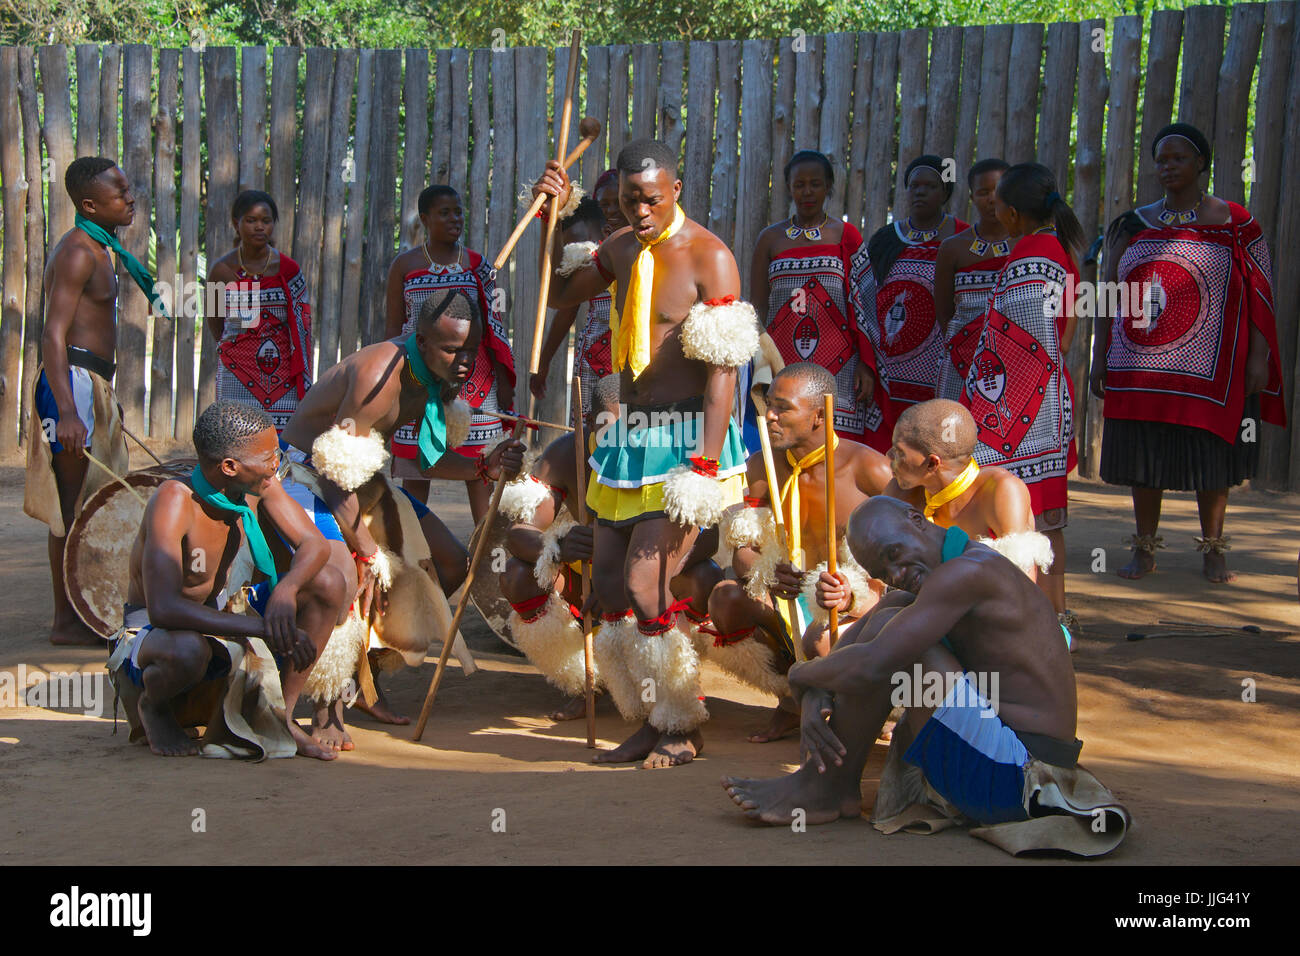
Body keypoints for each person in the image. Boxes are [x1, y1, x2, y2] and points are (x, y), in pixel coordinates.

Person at [721, 496, 1130, 858]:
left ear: (917, 520)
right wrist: (811, 689)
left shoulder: (968, 572)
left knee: (906, 648)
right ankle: (829, 785)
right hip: (999, 762)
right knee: (890, 614)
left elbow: (873, 664)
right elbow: (852, 656)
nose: (896, 571)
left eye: (894, 552)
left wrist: (800, 674)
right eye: (883, 568)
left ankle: (829, 786)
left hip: (1024, 780)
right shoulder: (936, 578)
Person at [533, 137, 755, 768]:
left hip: (688, 443)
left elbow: (722, 374)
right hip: (629, 437)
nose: (641, 211)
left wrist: (706, 469)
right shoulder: (620, 249)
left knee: (646, 580)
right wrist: (554, 216)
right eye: (630, 200)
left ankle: (681, 724)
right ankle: (648, 714)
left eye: (652, 199)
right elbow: (560, 293)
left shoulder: (710, 255)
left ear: (675, 190)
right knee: (605, 587)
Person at [281, 287, 525, 726]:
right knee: (351, 575)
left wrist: (484, 468)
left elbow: (418, 459)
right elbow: (335, 476)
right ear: (424, 341)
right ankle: (327, 706)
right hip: (307, 476)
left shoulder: (435, 377)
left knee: (451, 562)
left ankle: (365, 682)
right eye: (453, 350)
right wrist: (368, 552)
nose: (465, 361)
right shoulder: (379, 377)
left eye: (471, 350)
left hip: (361, 479)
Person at [1095, 122, 1285, 584]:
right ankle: (1144, 550)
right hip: (1139, 365)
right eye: (1161, 159)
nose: (1168, 167)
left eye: (1179, 158)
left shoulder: (1237, 224)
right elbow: (1106, 292)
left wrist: (1259, 358)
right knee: (1145, 458)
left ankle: (1213, 549)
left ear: (1201, 162)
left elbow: (1261, 293)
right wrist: (1100, 356)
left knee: (1212, 457)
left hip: (1213, 371)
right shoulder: (1133, 223)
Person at [107, 400, 348, 760]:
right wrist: (264, 629)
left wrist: (286, 589)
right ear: (230, 466)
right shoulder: (175, 501)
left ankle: (280, 714)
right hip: (157, 638)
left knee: (328, 582)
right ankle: (154, 707)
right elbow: (163, 610)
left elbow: (314, 545)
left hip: (217, 618)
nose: (276, 463)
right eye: (268, 457)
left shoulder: (259, 484)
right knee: (188, 649)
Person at [500, 374, 721, 721]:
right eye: (610, 429)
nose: (623, 441)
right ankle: (585, 681)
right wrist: (557, 545)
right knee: (517, 574)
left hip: (654, 577)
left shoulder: (664, 450)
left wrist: (632, 574)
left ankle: (672, 692)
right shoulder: (563, 455)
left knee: (703, 578)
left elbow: (709, 537)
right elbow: (518, 533)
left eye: (632, 429)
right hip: (588, 577)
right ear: (589, 422)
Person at [708, 363, 891, 743]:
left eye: (783, 408)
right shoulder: (763, 466)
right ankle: (792, 698)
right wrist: (767, 572)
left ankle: (870, 707)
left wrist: (855, 594)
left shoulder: (868, 469)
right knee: (725, 599)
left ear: (819, 416)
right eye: (768, 405)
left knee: (824, 637)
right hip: (787, 600)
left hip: (855, 604)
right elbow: (742, 552)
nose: (770, 417)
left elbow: (908, 561)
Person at [26, 157, 145, 645]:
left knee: (95, 501)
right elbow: (52, 335)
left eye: (128, 188)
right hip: (69, 384)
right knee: (74, 507)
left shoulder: (99, 248)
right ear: (90, 204)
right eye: (120, 193)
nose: (130, 197)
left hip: (89, 383)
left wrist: (102, 399)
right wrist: (70, 409)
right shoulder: (78, 252)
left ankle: (85, 611)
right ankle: (66, 622)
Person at [956, 163, 1080, 624]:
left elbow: (1017, 347)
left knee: (1009, 511)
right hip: (1045, 406)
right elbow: (1062, 341)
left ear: (1009, 214)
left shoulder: (1029, 257)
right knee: (1046, 517)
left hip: (1018, 412)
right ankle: (1056, 617)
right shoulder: (1059, 252)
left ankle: (1019, 620)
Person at [885, 400, 1067, 645]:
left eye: (898, 452)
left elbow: (1019, 588)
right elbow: (874, 575)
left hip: (1001, 627)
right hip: (928, 617)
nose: (888, 457)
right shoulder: (902, 491)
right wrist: (848, 594)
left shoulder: (1000, 489)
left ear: (932, 463)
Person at [384, 185, 516, 520]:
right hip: (417, 382)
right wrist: (395, 389)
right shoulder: (404, 265)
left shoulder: (478, 265)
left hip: (475, 384)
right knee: (417, 475)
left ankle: (484, 559)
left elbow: (495, 327)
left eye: (458, 211)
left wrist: (503, 381)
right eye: (445, 213)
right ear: (425, 219)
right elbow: (394, 330)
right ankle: (418, 559)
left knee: (481, 471)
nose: (455, 219)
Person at [750, 150, 882, 447]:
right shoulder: (770, 239)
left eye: (815, 184)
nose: (807, 192)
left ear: (828, 187)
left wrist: (865, 363)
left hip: (842, 366)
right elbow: (757, 307)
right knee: (782, 437)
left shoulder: (846, 235)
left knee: (836, 445)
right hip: (782, 360)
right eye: (799, 185)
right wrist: (763, 360)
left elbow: (866, 305)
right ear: (789, 188)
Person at [207, 190, 313, 433]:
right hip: (237, 374)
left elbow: (302, 326)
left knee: (282, 446)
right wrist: (239, 352)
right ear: (237, 223)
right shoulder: (222, 271)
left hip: (285, 376)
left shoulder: (288, 270)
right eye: (251, 220)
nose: (259, 227)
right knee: (236, 440)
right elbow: (215, 322)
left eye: (266, 221)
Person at [531, 172, 629, 417]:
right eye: (605, 205)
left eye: (618, 202)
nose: (613, 211)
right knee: (591, 438)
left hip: (633, 355)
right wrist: (544, 363)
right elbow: (565, 306)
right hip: (596, 358)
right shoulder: (594, 255)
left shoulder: (645, 243)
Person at [934, 159, 1011, 402]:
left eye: (999, 191)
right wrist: (966, 346)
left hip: (1015, 357)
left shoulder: (1027, 243)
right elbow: (944, 312)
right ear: (971, 197)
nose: (991, 199)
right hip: (961, 358)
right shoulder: (954, 247)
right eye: (983, 192)